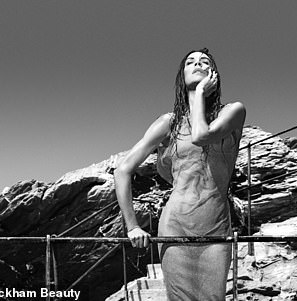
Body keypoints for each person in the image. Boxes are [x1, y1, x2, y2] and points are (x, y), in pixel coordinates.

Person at [114, 48, 245, 300]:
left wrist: (197, 96)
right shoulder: (168, 123)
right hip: (174, 226)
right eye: (190, 62)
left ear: (213, 74)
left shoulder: (232, 112)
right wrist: (132, 226)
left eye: (204, 61)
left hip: (215, 226)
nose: (197, 64)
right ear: (181, 75)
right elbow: (122, 171)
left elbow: (201, 135)